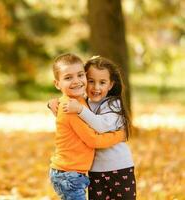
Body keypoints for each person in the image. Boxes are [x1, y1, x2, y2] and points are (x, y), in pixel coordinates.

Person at [48, 56, 136, 200]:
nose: (96, 87)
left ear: (111, 85)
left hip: (119, 167)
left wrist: (79, 110)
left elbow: (100, 126)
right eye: (91, 81)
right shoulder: (80, 103)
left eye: (102, 82)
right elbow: (77, 128)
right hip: (93, 170)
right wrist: (54, 105)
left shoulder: (112, 104)